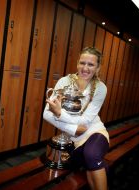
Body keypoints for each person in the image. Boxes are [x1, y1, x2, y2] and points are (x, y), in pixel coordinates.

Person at [43, 47, 109, 190]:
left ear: (98, 67)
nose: (85, 68)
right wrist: (74, 130)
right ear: (77, 63)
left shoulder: (101, 88)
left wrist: (60, 114)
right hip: (74, 140)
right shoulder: (64, 81)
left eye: (91, 64)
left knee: (91, 155)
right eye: (82, 63)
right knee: (89, 165)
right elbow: (47, 113)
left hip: (95, 133)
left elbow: (85, 122)